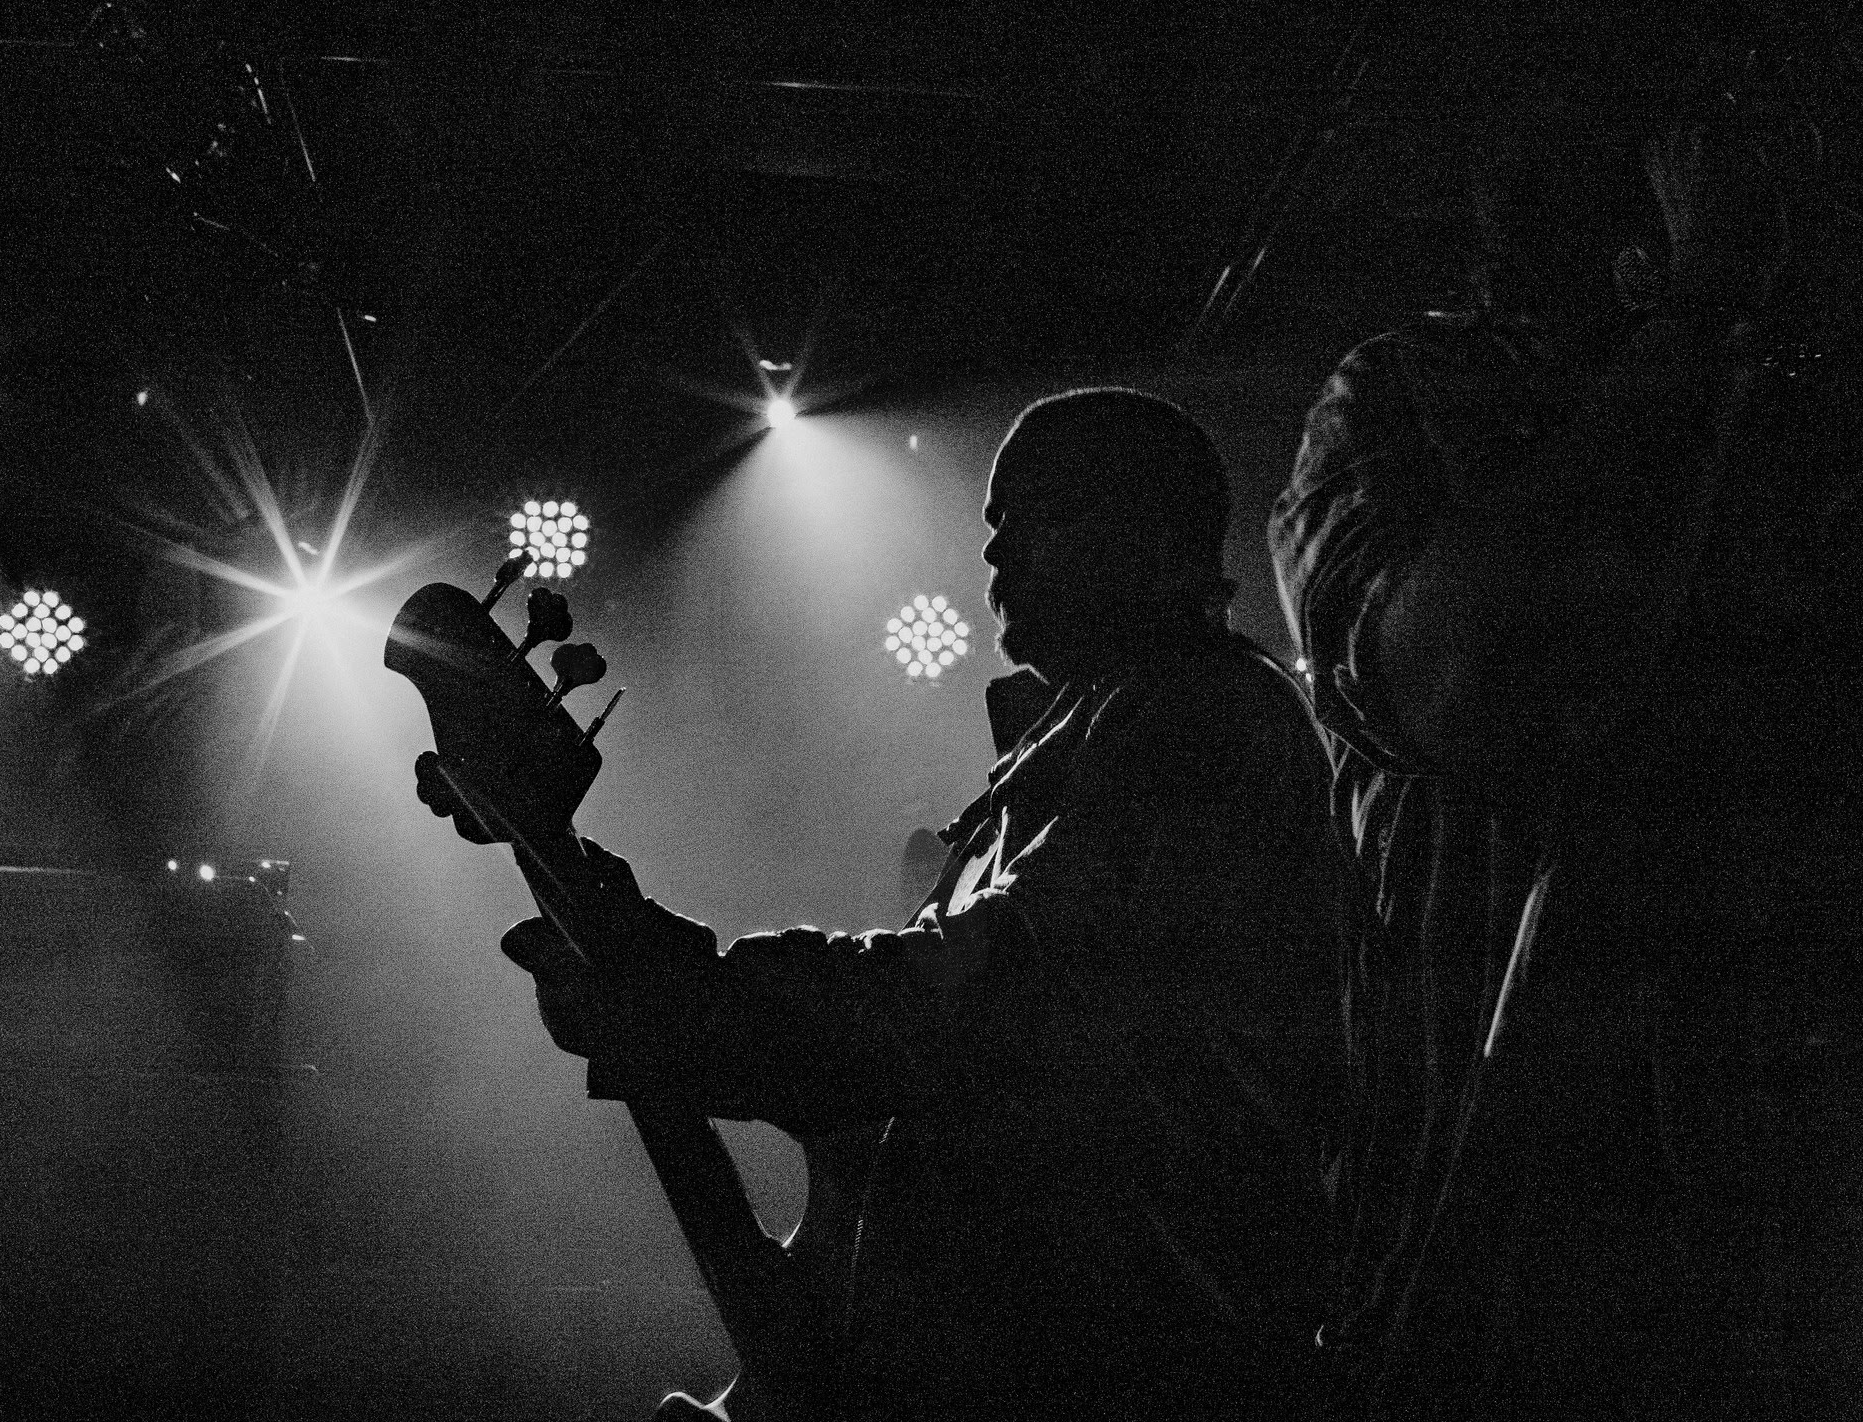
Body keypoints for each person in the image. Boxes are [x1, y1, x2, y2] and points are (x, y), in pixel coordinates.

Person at [1270, 0, 1863, 1421]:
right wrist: (1692, 332)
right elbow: (1458, 682)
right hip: (1502, 1236)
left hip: (1828, 1217)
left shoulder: (1817, 414)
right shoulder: (1405, 398)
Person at [429, 388, 1349, 1421]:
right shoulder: (1060, 756)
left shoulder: (1201, 719)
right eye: (992, 524)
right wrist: (644, 947)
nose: (997, 555)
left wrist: (691, 998)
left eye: (1036, 516)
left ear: (1151, 526)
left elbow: (973, 1013)